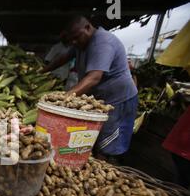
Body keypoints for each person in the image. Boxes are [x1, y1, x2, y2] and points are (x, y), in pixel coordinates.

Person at [41, 16, 138, 163]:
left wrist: (63, 99)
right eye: (71, 39)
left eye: (76, 38)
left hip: (118, 101)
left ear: (87, 27)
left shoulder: (102, 42)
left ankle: (112, 170)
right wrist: (42, 71)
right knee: (96, 140)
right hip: (101, 100)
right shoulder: (81, 42)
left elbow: (94, 77)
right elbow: (63, 58)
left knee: (110, 145)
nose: (74, 42)